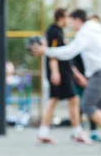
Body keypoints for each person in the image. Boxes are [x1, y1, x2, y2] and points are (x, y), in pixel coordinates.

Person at [31, 9, 101, 153]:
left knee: (87, 104)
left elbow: (69, 52)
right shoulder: (96, 31)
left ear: (78, 20)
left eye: (72, 22)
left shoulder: (85, 32)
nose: (71, 25)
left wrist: (45, 51)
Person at [37, 8, 89, 144]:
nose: (69, 21)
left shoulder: (59, 32)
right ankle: (76, 131)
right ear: (60, 17)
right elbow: (53, 53)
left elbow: (66, 55)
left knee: (61, 100)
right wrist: (55, 72)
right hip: (60, 74)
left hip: (65, 73)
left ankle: (44, 132)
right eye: (67, 17)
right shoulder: (53, 31)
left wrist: (76, 74)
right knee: (70, 99)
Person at [71, 14, 101, 143]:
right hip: (80, 78)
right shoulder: (82, 39)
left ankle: (93, 131)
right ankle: (78, 131)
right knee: (81, 105)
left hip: (92, 78)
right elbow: (72, 61)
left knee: (92, 105)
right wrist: (79, 76)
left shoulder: (99, 41)